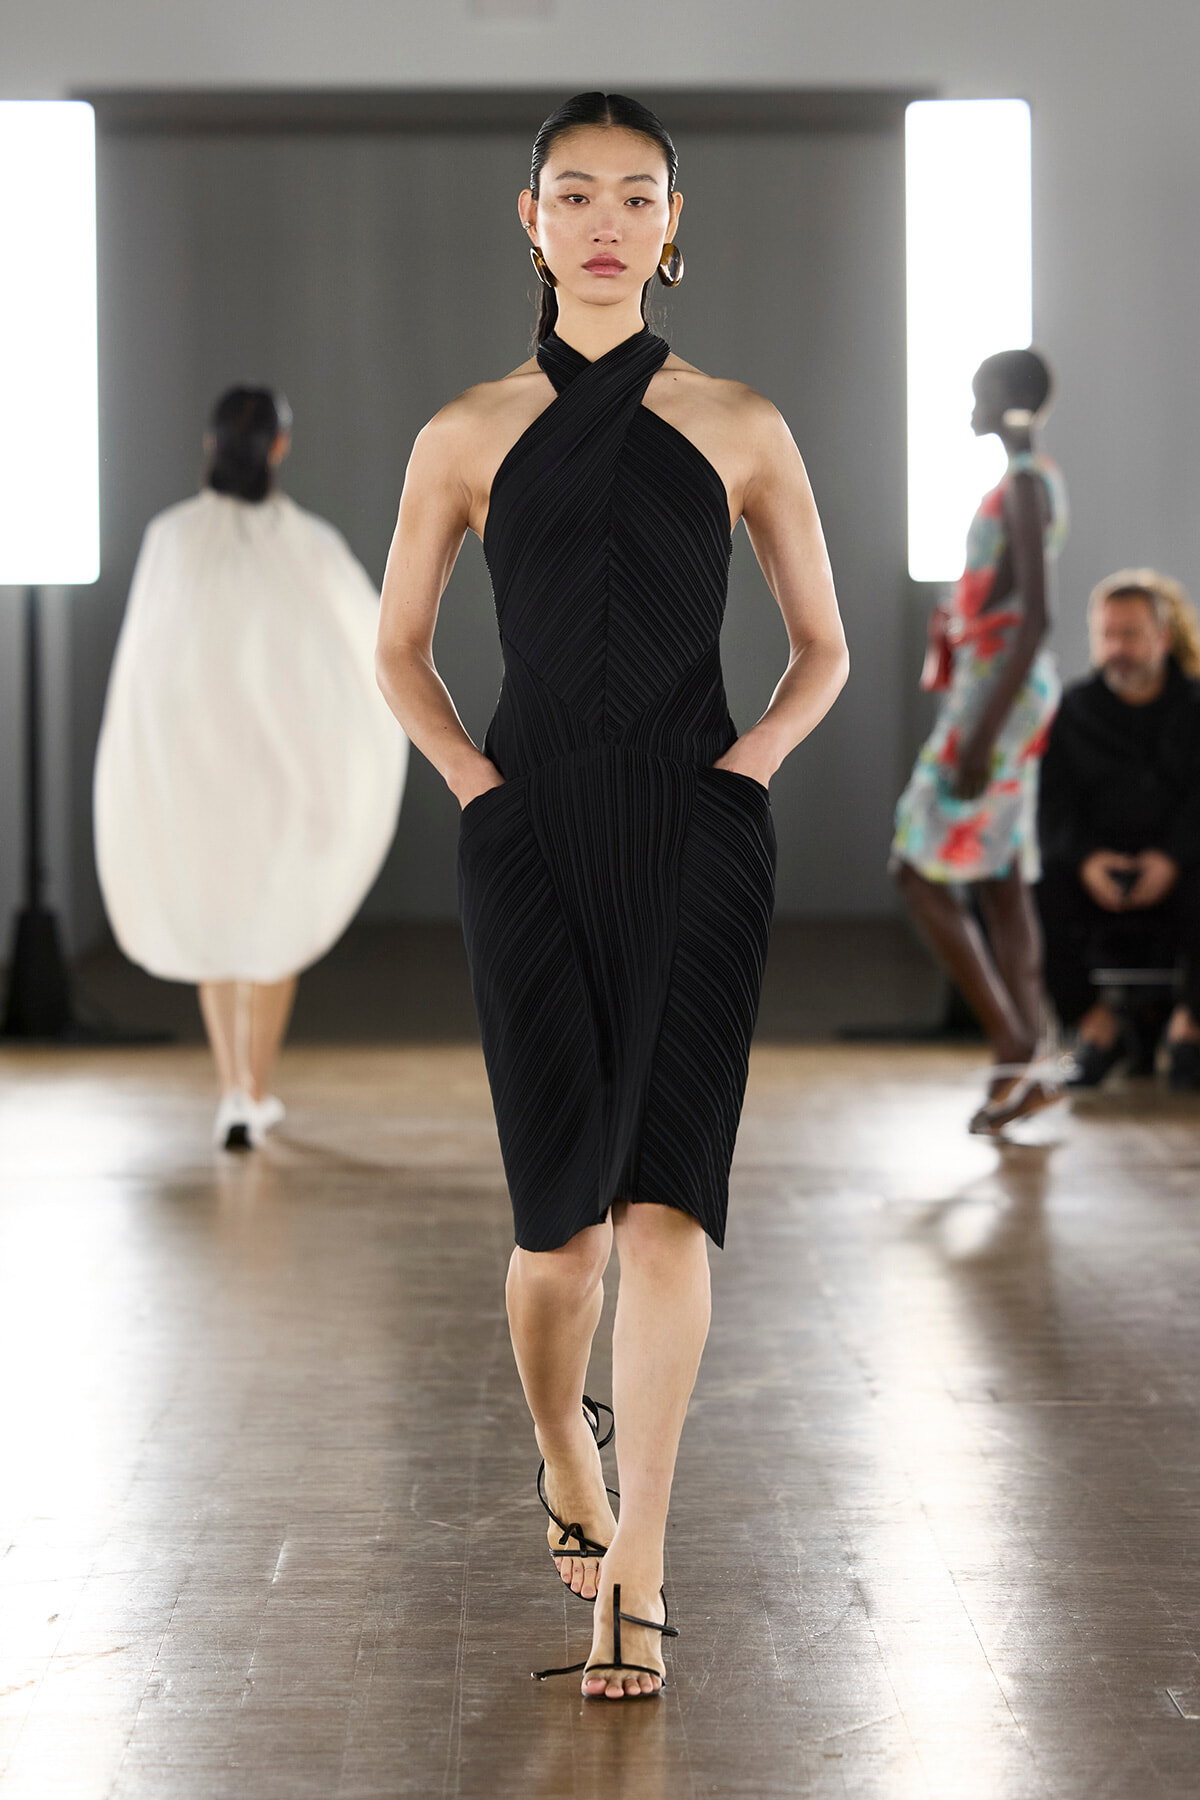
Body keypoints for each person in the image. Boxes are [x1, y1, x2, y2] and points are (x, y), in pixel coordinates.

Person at [375, 92, 848, 1699]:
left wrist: (746, 772)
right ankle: (559, 1456)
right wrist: (478, 790)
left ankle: (635, 1570)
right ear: (530, 220)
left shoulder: (742, 424)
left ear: (670, 223)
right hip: (530, 833)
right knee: (558, 1240)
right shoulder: (464, 431)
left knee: (668, 1207)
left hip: (700, 833)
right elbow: (398, 651)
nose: (602, 218)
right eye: (572, 193)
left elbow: (823, 647)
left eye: (632, 195)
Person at [95, 387, 407, 1149]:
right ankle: (254, 1090)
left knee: (218, 924)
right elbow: (371, 645)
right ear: (278, 447)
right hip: (280, 773)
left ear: (210, 447)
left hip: (198, 772)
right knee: (273, 928)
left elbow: (141, 669)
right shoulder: (310, 544)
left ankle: (233, 1086)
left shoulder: (171, 538)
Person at [891, 350, 1069, 1133]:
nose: (971, 407)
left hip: (999, 698)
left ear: (1007, 401)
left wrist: (981, 735)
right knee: (1001, 881)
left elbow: (1035, 615)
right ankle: (1028, 1061)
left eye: (979, 395)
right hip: (997, 689)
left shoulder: (1026, 482)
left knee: (915, 866)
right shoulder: (1024, 480)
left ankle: (1016, 1045)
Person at [1037, 570, 1200, 1089]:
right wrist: (1088, 860)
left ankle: (1189, 1029)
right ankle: (1096, 1029)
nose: (1116, 648)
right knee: (1027, 898)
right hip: (1095, 871)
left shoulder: (1195, 706)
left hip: (1183, 868)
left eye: (1129, 635)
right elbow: (1054, 806)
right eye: (1107, 635)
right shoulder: (1073, 710)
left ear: (1162, 637)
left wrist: (1171, 858)